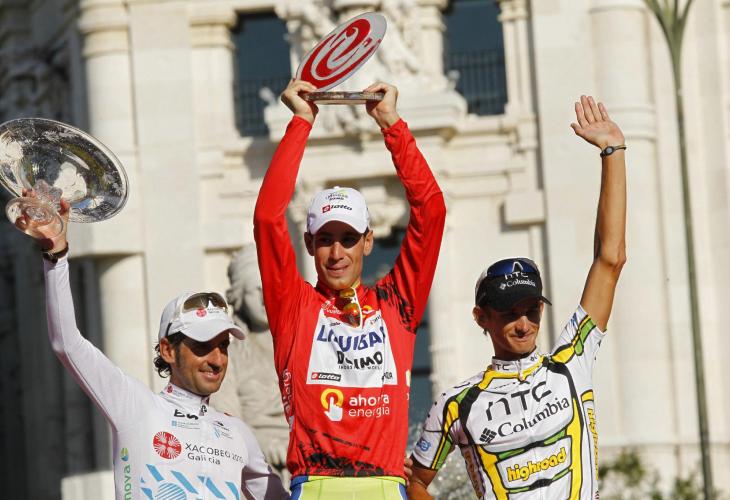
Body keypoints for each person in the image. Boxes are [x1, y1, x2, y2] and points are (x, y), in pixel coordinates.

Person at [408, 95, 627, 499]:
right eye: (510, 313)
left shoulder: (571, 363)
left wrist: (612, 152)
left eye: (531, 311)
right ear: (481, 317)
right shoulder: (456, 403)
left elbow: (610, 260)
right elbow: (415, 481)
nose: (524, 324)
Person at [253, 80, 446, 499]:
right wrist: (301, 122)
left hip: (387, 486)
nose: (337, 252)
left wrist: (392, 125)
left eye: (348, 238)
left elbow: (430, 211)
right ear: (309, 244)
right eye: (325, 239)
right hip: (317, 486)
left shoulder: (396, 304)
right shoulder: (293, 307)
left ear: (368, 242)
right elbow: (268, 217)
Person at [31, 192, 289, 500]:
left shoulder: (238, 433)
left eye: (223, 346)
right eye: (202, 346)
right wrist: (55, 256)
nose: (217, 359)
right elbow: (68, 344)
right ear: (167, 350)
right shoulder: (136, 406)